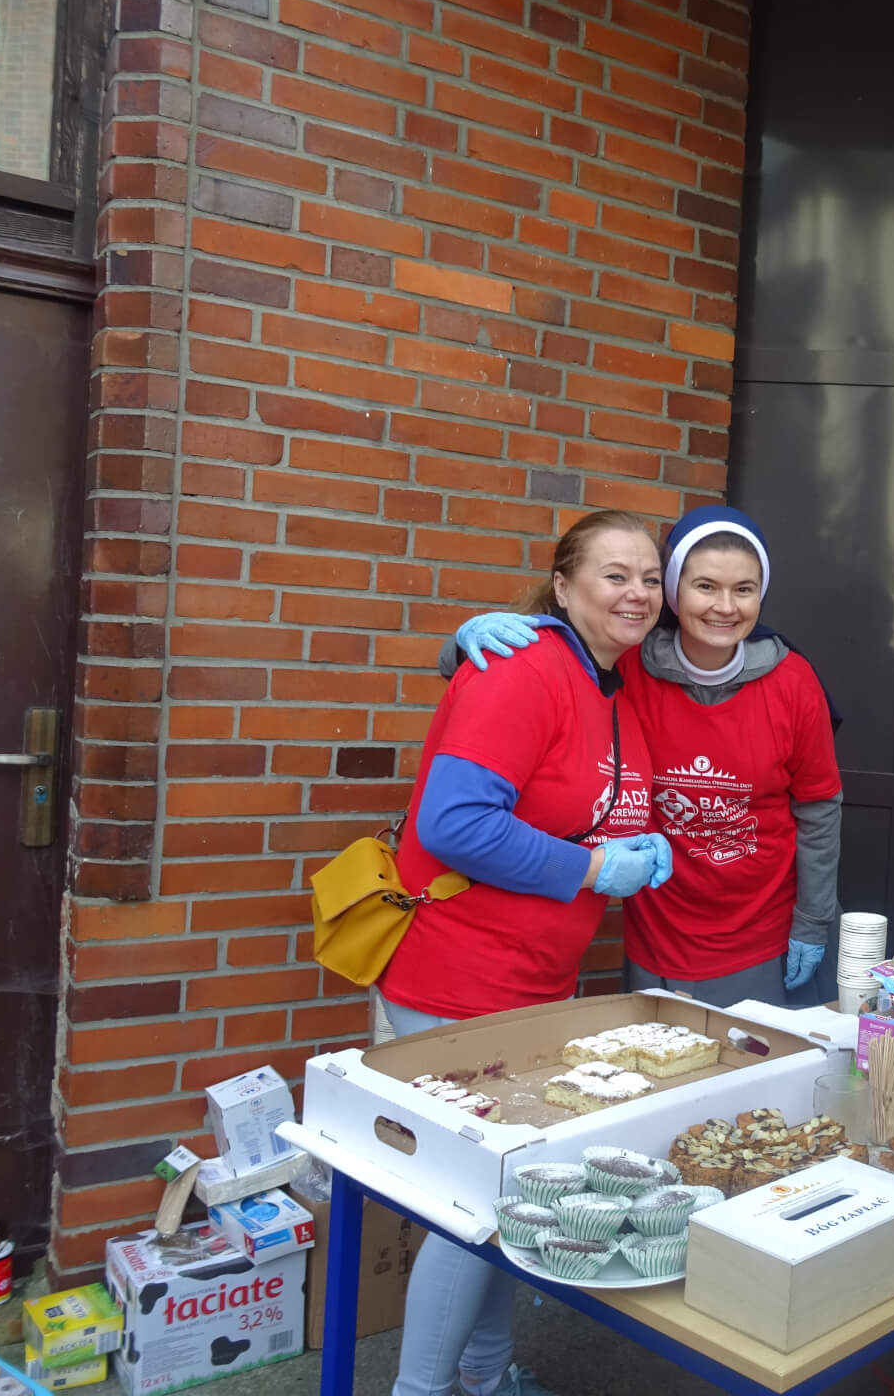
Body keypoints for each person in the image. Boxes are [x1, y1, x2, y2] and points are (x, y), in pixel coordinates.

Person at [381, 508, 672, 1396]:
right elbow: (454, 823)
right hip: (454, 983)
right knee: (476, 1206)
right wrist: (594, 869)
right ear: (561, 585)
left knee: (512, 1196)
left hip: (527, 986)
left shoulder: (608, 680)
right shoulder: (523, 666)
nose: (638, 593)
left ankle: (483, 1375)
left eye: (650, 578)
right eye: (614, 574)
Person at [445, 504, 843, 1007]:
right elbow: (523, 671)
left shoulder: (794, 682)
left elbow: (819, 807)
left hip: (764, 932)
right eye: (705, 586)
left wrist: (813, 920)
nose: (725, 606)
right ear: (673, 591)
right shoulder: (627, 662)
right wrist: (464, 643)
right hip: (659, 931)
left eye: (743, 589)